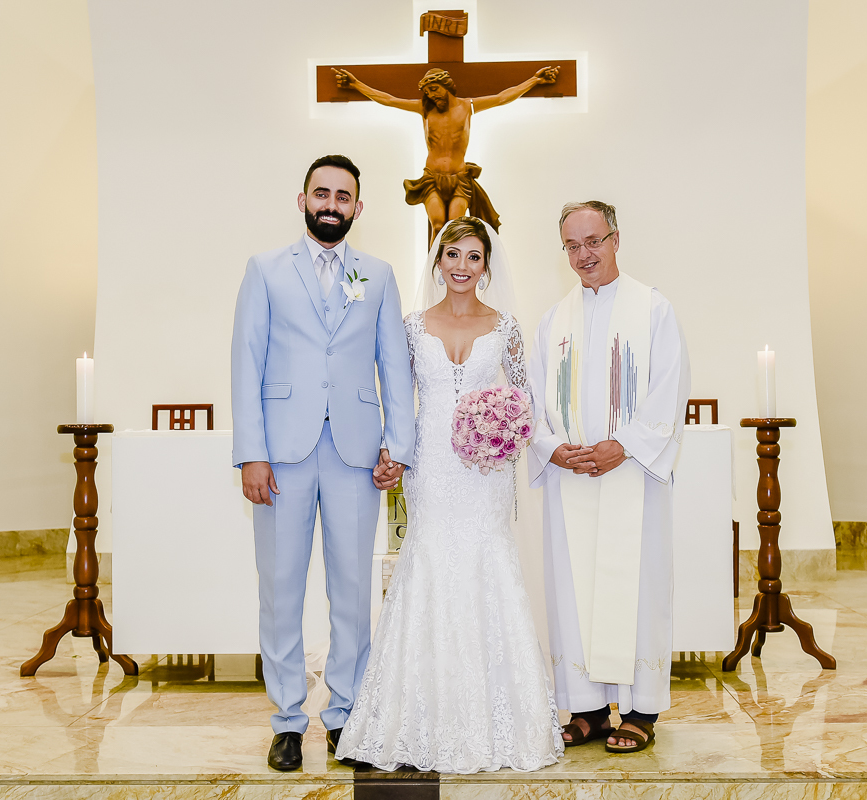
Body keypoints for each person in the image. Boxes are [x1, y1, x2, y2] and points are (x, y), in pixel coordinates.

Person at [337, 217, 564, 773]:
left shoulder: (506, 328)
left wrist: (505, 431)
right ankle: (415, 720)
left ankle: (498, 721)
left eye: (473, 257)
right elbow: (396, 395)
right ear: (437, 261)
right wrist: (391, 452)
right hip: (432, 467)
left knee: (487, 562)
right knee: (430, 564)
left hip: (484, 471)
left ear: (487, 265)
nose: (462, 266)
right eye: (452, 255)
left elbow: (525, 400)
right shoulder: (411, 326)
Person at [231, 155, 415, 771]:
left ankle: (345, 715)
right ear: (303, 199)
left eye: (344, 196)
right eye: (321, 193)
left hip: (356, 455)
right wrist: (251, 453)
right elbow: (246, 363)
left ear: (359, 207)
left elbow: (394, 364)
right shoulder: (264, 270)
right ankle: (287, 719)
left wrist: (399, 443)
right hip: (281, 454)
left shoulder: (378, 274)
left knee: (352, 591)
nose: (331, 204)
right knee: (280, 591)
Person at [527, 201, 690, 753]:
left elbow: (670, 386)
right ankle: (590, 710)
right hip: (573, 478)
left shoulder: (654, 310)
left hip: (632, 475)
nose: (583, 255)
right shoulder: (554, 322)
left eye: (593, 241)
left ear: (616, 238)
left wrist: (625, 446)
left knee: (636, 585)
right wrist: (553, 449)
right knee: (574, 588)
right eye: (572, 246)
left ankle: (642, 710)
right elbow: (533, 403)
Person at [332, 66, 559, 245]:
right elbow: (389, 100)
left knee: (454, 227)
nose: (431, 95)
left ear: (447, 85)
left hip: (459, 179)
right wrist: (356, 84)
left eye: (434, 89)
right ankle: (434, 276)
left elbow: (502, 97)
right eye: (427, 92)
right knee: (438, 224)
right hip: (432, 178)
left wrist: (535, 80)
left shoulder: (467, 106)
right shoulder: (425, 110)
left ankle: (452, 276)